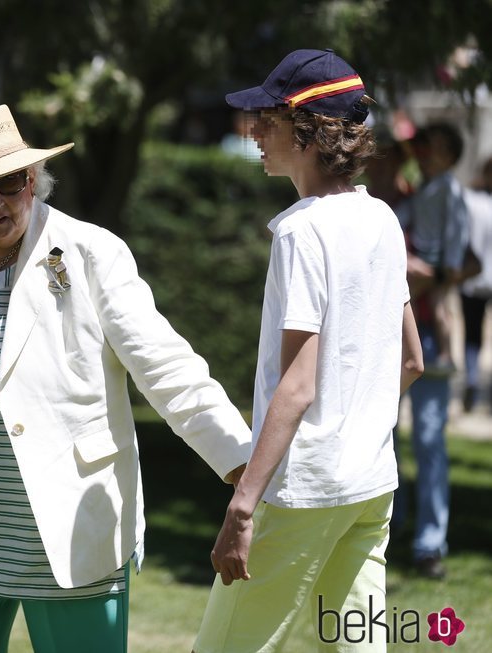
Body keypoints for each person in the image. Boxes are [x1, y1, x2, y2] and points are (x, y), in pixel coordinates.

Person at [0, 104, 252, 653]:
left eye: (9, 182)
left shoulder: (92, 251)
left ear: (33, 181)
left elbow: (165, 367)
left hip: (71, 532)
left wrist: (242, 465)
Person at [194, 49, 424, 652]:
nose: (253, 134)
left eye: (265, 120)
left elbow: (298, 386)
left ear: (307, 131)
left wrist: (241, 510)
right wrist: (358, 424)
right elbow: (411, 361)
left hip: (302, 490)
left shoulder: (300, 231)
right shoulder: (381, 219)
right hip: (371, 484)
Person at [394, 122, 472, 579]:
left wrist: (435, 272)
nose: (424, 154)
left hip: (424, 326)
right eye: (422, 147)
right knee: (385, 435)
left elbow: (461, 259)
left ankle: (429, 544)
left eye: (434, 148)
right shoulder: (409, 195)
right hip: (393, 329)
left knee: (428, 440)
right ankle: (392, 523)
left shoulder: (448, 194)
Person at [460, 157, 492, 412]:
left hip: (473, 279)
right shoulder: (473, 200)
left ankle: (472, 380)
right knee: (473, 336)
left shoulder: (472, 201)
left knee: (473, 336)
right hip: (475, 278)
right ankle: (476, 385)